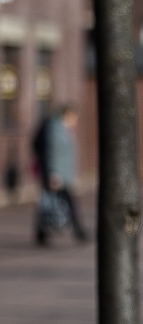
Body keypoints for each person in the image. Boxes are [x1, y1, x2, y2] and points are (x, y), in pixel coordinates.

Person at [32, 105, 87, 245]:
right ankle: (79, 232)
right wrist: (54, 174)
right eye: (74, 117)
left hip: (63, 174)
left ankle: (41, 233)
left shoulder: (65, 129)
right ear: (66, 115)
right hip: (57, 175)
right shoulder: (56, 129)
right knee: (58, 202)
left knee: (49, 202)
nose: (76, 120)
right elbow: (53, 152)